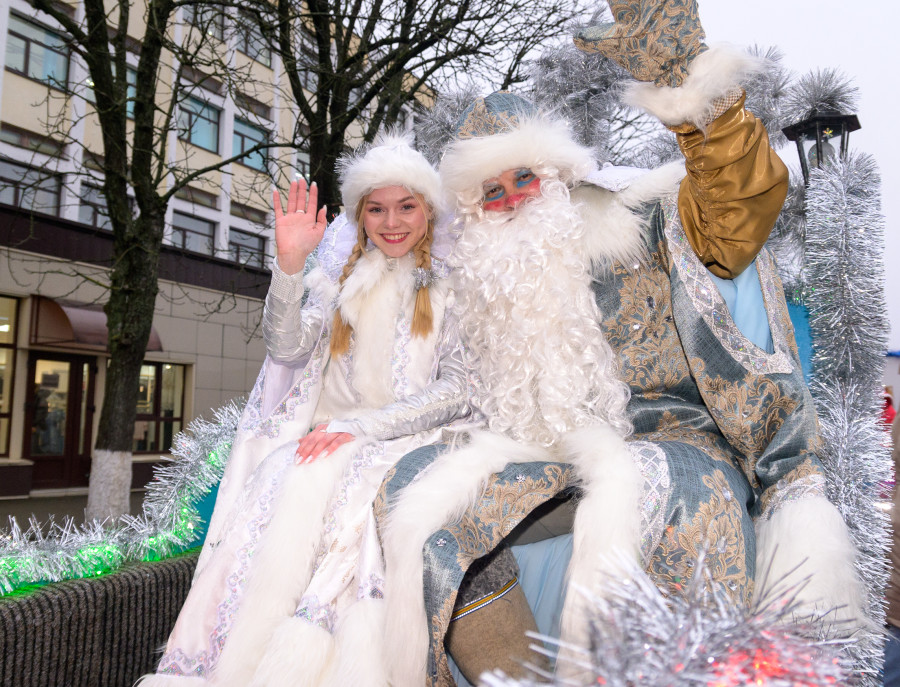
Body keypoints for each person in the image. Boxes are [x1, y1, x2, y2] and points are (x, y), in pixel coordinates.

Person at [374, 2, 868, 684]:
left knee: (662, 491)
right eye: (492, 191)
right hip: (542, 457)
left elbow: (736, 207)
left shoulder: (636, 221)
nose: (512, 201)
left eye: (524, 178)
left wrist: (688, 81)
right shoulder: (481, 286)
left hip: (674, 440)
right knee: (416, 495)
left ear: (557, 176)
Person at [139, 133, 472, 686]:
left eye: (406, 206)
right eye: (377, 208)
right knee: (283, 471)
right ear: (360, 217)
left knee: (354, 487)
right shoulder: (338, 286)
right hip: (325, 442)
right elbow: (287, 348)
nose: (391, 221)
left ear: (429, 211)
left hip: (406, 444)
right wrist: (291, 266)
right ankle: (237, 663)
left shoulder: (453, 290)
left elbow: (459, 389)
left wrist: (361, 429)